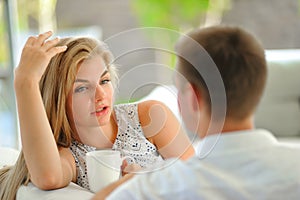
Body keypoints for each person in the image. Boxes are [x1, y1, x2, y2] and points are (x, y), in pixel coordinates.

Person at [93, 25, 300, 199]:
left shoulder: (152, 189)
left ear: (193, 98)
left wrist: (133, 179)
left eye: (179, 89)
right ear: (258, 87)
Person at [0, 31, 195, 200]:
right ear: (58, 99)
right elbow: (47, 177)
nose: (100, 96)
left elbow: (200, 178)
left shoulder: (150, 116)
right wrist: (26, 82)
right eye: (82, 88)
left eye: (104, 81)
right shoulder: (70, 156)